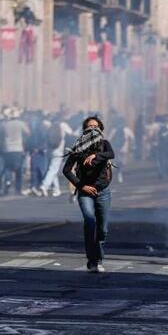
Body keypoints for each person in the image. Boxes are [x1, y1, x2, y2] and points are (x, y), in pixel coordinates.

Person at [62, 116, 116, 272]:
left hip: (103, 192)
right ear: (84, 129)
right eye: (89, 126)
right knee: (90, 221)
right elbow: (66, 170)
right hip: (85, 191)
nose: (93, 129)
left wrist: (96, 156)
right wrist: (81, 186)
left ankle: (98, 257)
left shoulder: (104, 144)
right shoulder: (78, 147)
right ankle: (92, 260)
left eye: (96, 126)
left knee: (102, 229)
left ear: (101, 129)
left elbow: (111, 154)